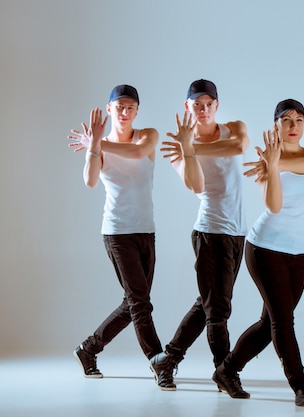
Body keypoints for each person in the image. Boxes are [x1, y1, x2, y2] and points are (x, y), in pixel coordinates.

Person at [212, 99, 304, 407]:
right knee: (283, 321)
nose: (293, 126)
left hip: (300, 251)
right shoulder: (267, 164)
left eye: (299, 120)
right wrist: (272, 168)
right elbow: (274, 205)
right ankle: (300, 384)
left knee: (270, 324)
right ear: (276, 125)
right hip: (266, 248)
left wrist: (276, 162)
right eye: (287, 120)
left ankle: (227, 370)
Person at [67, 85, 174, 390]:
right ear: (109, 108)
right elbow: (89, 181)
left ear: (137, 111)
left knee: (133, 302)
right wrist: (93, 148)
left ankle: (88, 349)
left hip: (146, 231)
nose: (125, 112)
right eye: (120, 107)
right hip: (117, 232)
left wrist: (98, 143)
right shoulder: (99, 146)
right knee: (140, 302)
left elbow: (138, 152)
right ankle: (158, 360)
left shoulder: (146, 136)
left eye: (130, 107)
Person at [149, 80, 251, 390]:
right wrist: (187, 152)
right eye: (197, 104)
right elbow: (196, 186)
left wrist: (192, 147)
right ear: (188, 107)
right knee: (218, 310)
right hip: (210, 233)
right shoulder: (178, 150)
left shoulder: (233, 128)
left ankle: (168, 359)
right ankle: (225, 371)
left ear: (217, 106)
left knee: (208, 304)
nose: (203, 109)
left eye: (208, 103)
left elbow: (239, 147)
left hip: (237, 233)